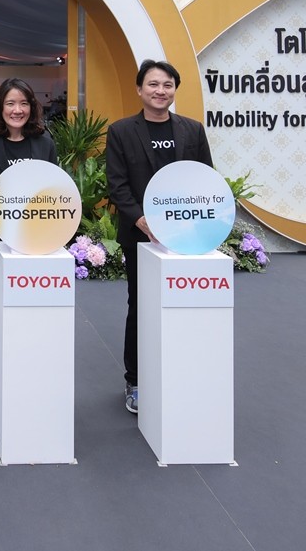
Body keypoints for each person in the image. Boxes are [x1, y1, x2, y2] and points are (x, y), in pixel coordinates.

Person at [106, 59, 214, 414]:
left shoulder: (193, 130)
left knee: (185, 306)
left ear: (174, 90)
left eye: (167, 85)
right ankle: (136, 381)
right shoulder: (121, 131)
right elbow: (118, 185)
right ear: (140, 89)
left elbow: (205, 179)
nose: (160, 91)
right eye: (153, 84)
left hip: (187, 238)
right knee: (141, 306)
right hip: (141, 237)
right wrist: (142, 221)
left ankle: (182, 375)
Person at [0, 78, 57, 384]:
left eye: (23, 103)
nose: (17, 110)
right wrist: (11, 217)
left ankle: (34, 374)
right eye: (10, 103)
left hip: (39, 244)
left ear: (32, 107)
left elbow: (56, 191)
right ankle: (0, 377)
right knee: (0, 311)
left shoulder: (45, 143)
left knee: (35, 311)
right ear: (0, 108)